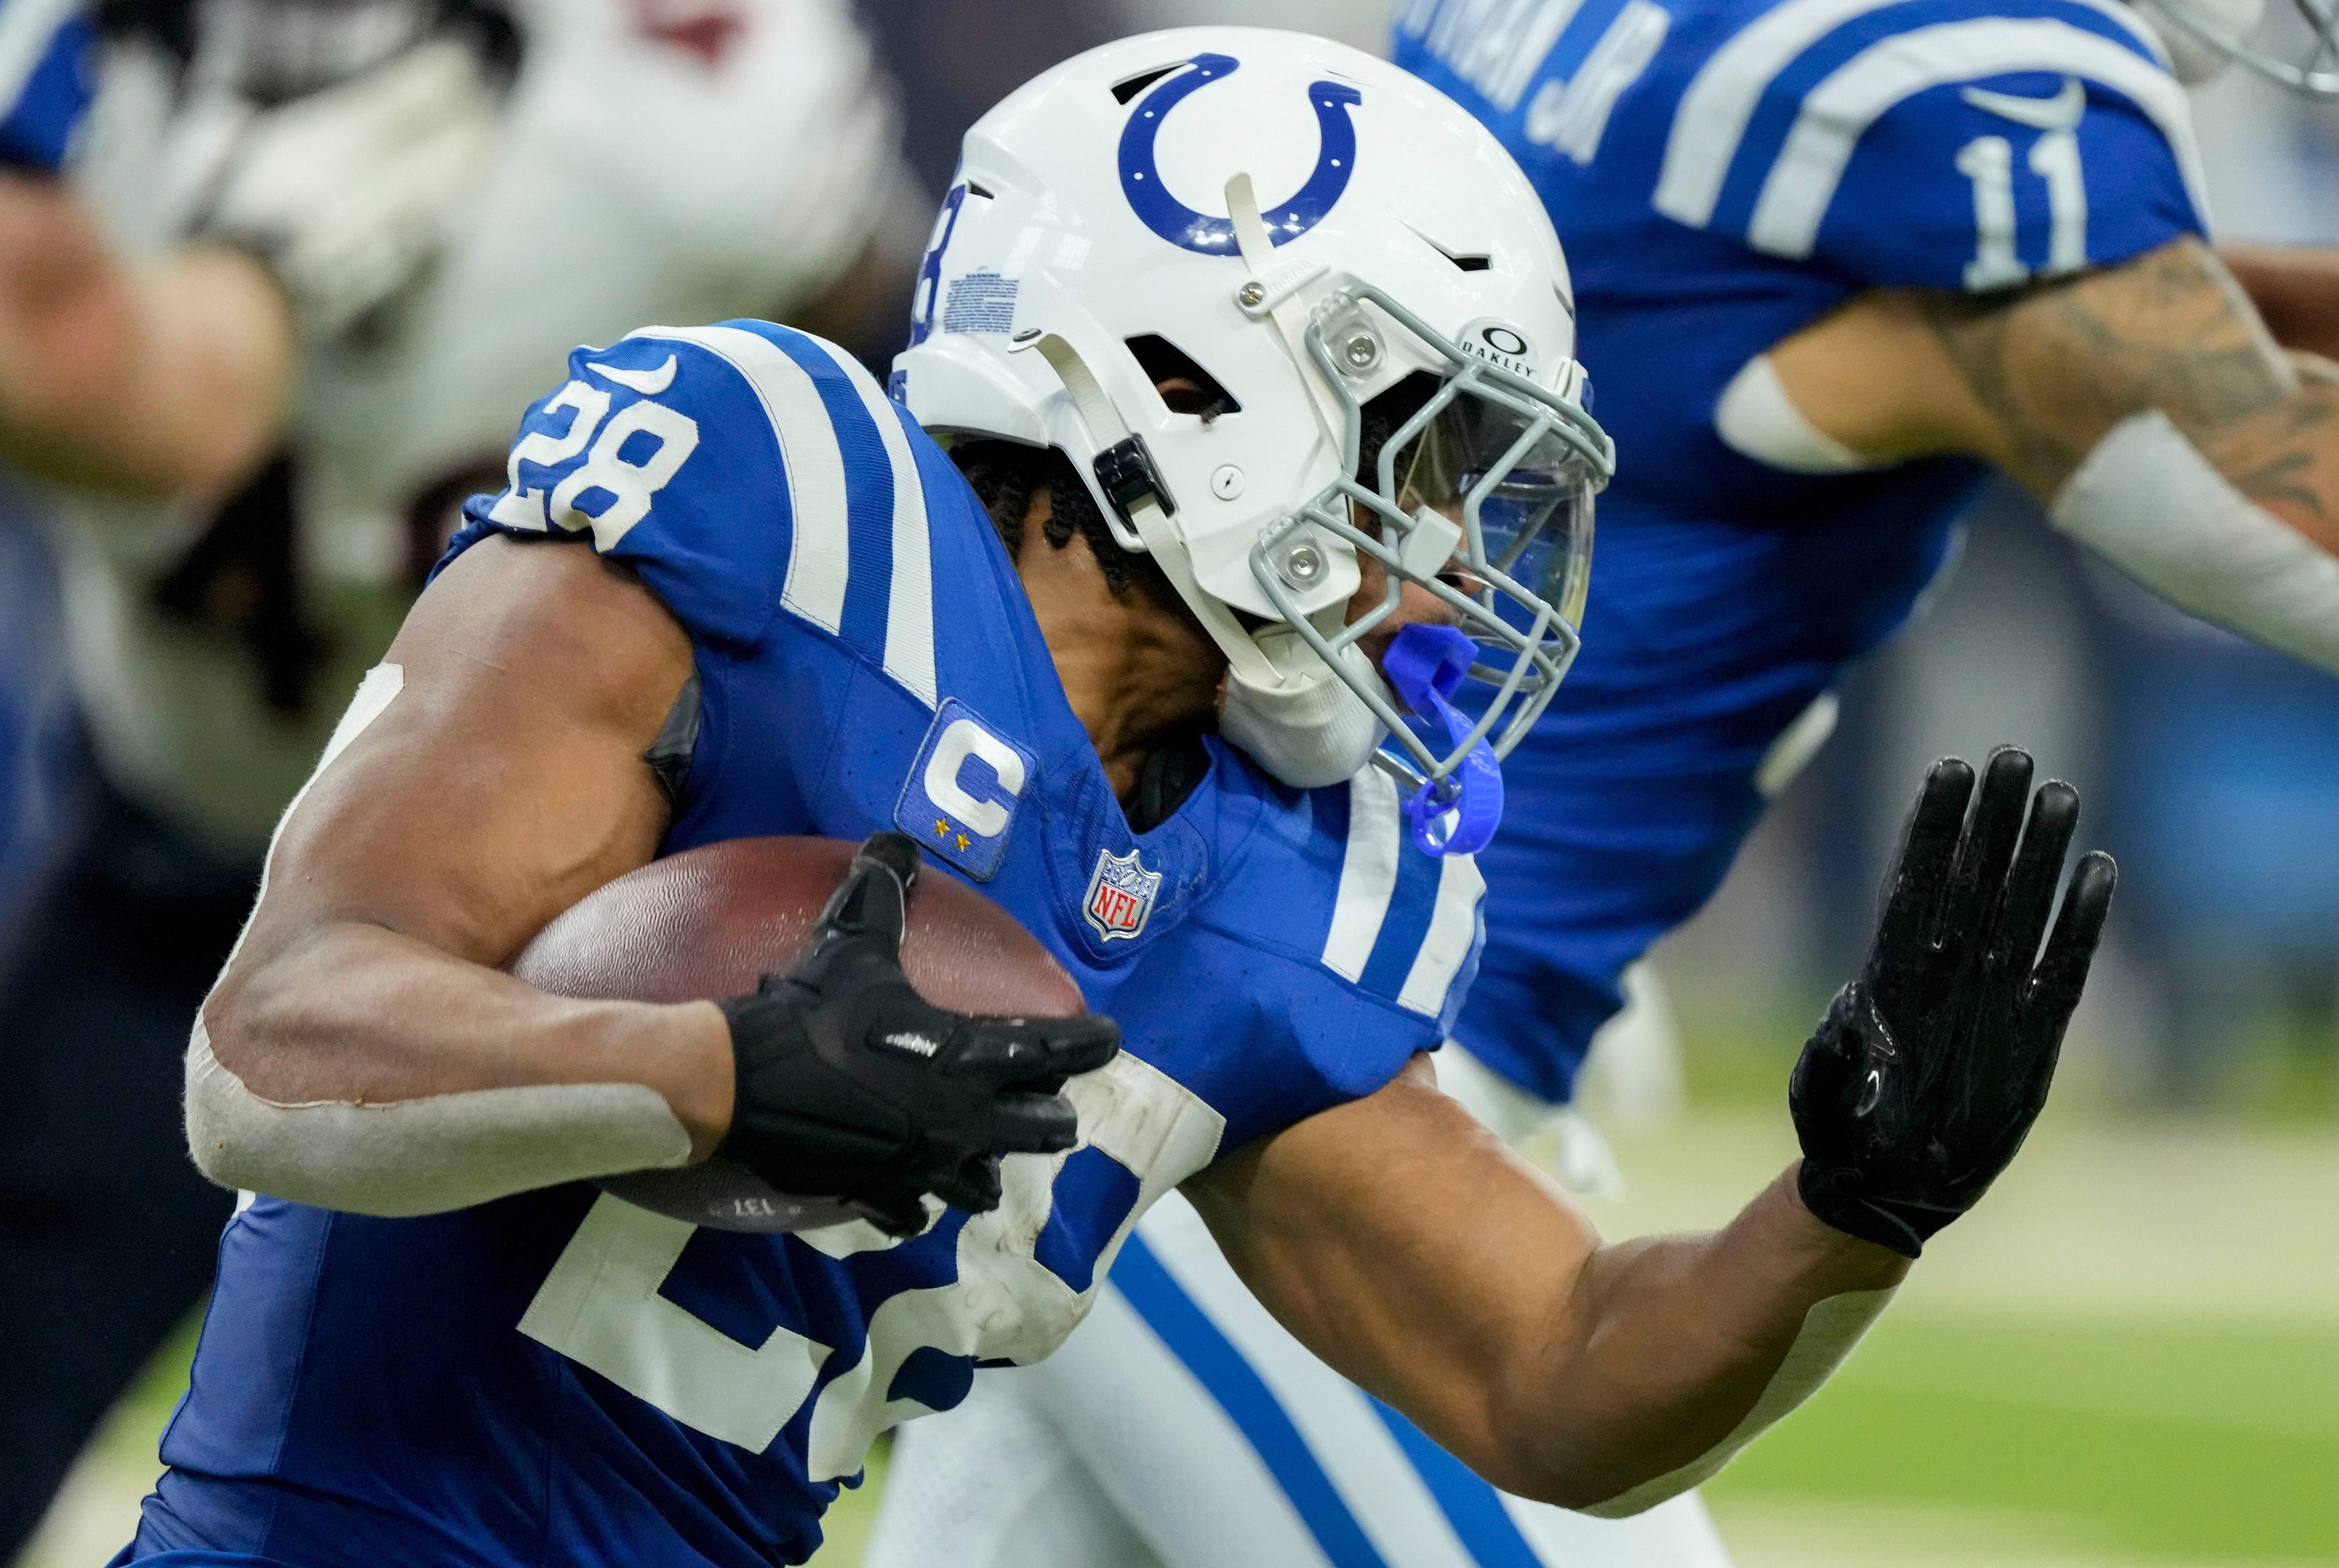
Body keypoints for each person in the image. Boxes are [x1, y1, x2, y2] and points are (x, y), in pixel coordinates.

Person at [116, 29, 2109, 1568]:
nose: (1442, 558)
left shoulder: (1265, 864)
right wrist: (711, 1065)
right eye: (1419, 457)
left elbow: (1560, 1366)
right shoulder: (778, 506)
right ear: (1206, 373)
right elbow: (273, 1045)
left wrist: (1845, 1214)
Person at [866, 1, 2339, 1566]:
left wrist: (1853, 1203)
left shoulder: (1632, 56)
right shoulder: (1962, 88)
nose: (1440, 571)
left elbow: (2079, 316)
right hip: (1275, 1072)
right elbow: (2229, 456)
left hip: (1208, 1031)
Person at [0, 0, 922, 1556]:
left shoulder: (693, 106)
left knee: (492, 1489)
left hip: (540, 908)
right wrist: (259, 270)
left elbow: (868, 403)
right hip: (180, 827)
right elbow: (133, 392)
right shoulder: (69, 61)